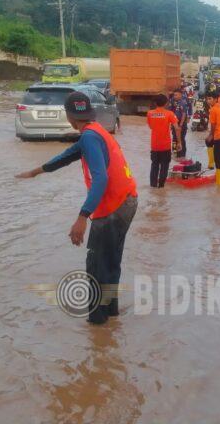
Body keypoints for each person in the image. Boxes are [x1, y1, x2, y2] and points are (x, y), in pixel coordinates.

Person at [15, 91, 138, 324]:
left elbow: (100, 179)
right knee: (110, 263)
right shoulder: (95, 132)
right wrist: (35, 172)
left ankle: (98, 328)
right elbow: (66, 156)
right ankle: (111, 316)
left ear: (69, 117)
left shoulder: (90, 138)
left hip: (113, 208)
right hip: (127, 201)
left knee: (96, 268)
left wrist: (82, 217)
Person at [147, 94, 180, 188]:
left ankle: (153, 187)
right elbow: (177, 128)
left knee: (154, 166)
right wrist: (179, 142)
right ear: (166, 103)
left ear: (155, 103)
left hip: (154, 145)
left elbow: (150, 127)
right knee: (164, 166)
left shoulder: (149, 113)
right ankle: (161, 187)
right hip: (165, 145)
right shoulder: (170, 114)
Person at [205, 90, 220, 185]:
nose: (208, 101)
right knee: (208, 142)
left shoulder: (213, 109)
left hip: (219, 135)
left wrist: (211, 135)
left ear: (215, 99)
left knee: (219, 160)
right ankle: (211, 164)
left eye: (210, 99)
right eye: (207, 99)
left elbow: (213, 124)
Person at [168, 89, 188, 158]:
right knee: (174, 138)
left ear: (180, 95)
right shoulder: (173, 101)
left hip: (180, 124)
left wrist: (181, 125)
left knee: (181, 138)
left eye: (176, 95)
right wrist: (171, 124)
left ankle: (181, 154)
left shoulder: (183, 102)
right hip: (174, 123)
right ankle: (174, 152)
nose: (174, 96)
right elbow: (170, 112)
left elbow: (184, 114)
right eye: (174, 95)